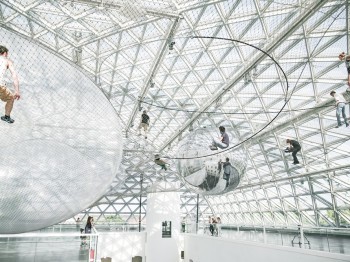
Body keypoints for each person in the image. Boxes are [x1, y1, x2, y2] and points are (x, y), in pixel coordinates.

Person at [0, 45, 20, 124]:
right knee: (11, 98)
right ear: (4, 53)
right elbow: (14, 76)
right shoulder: (7, 61)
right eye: (7, 54)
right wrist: (17, 91)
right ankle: (6, 117)